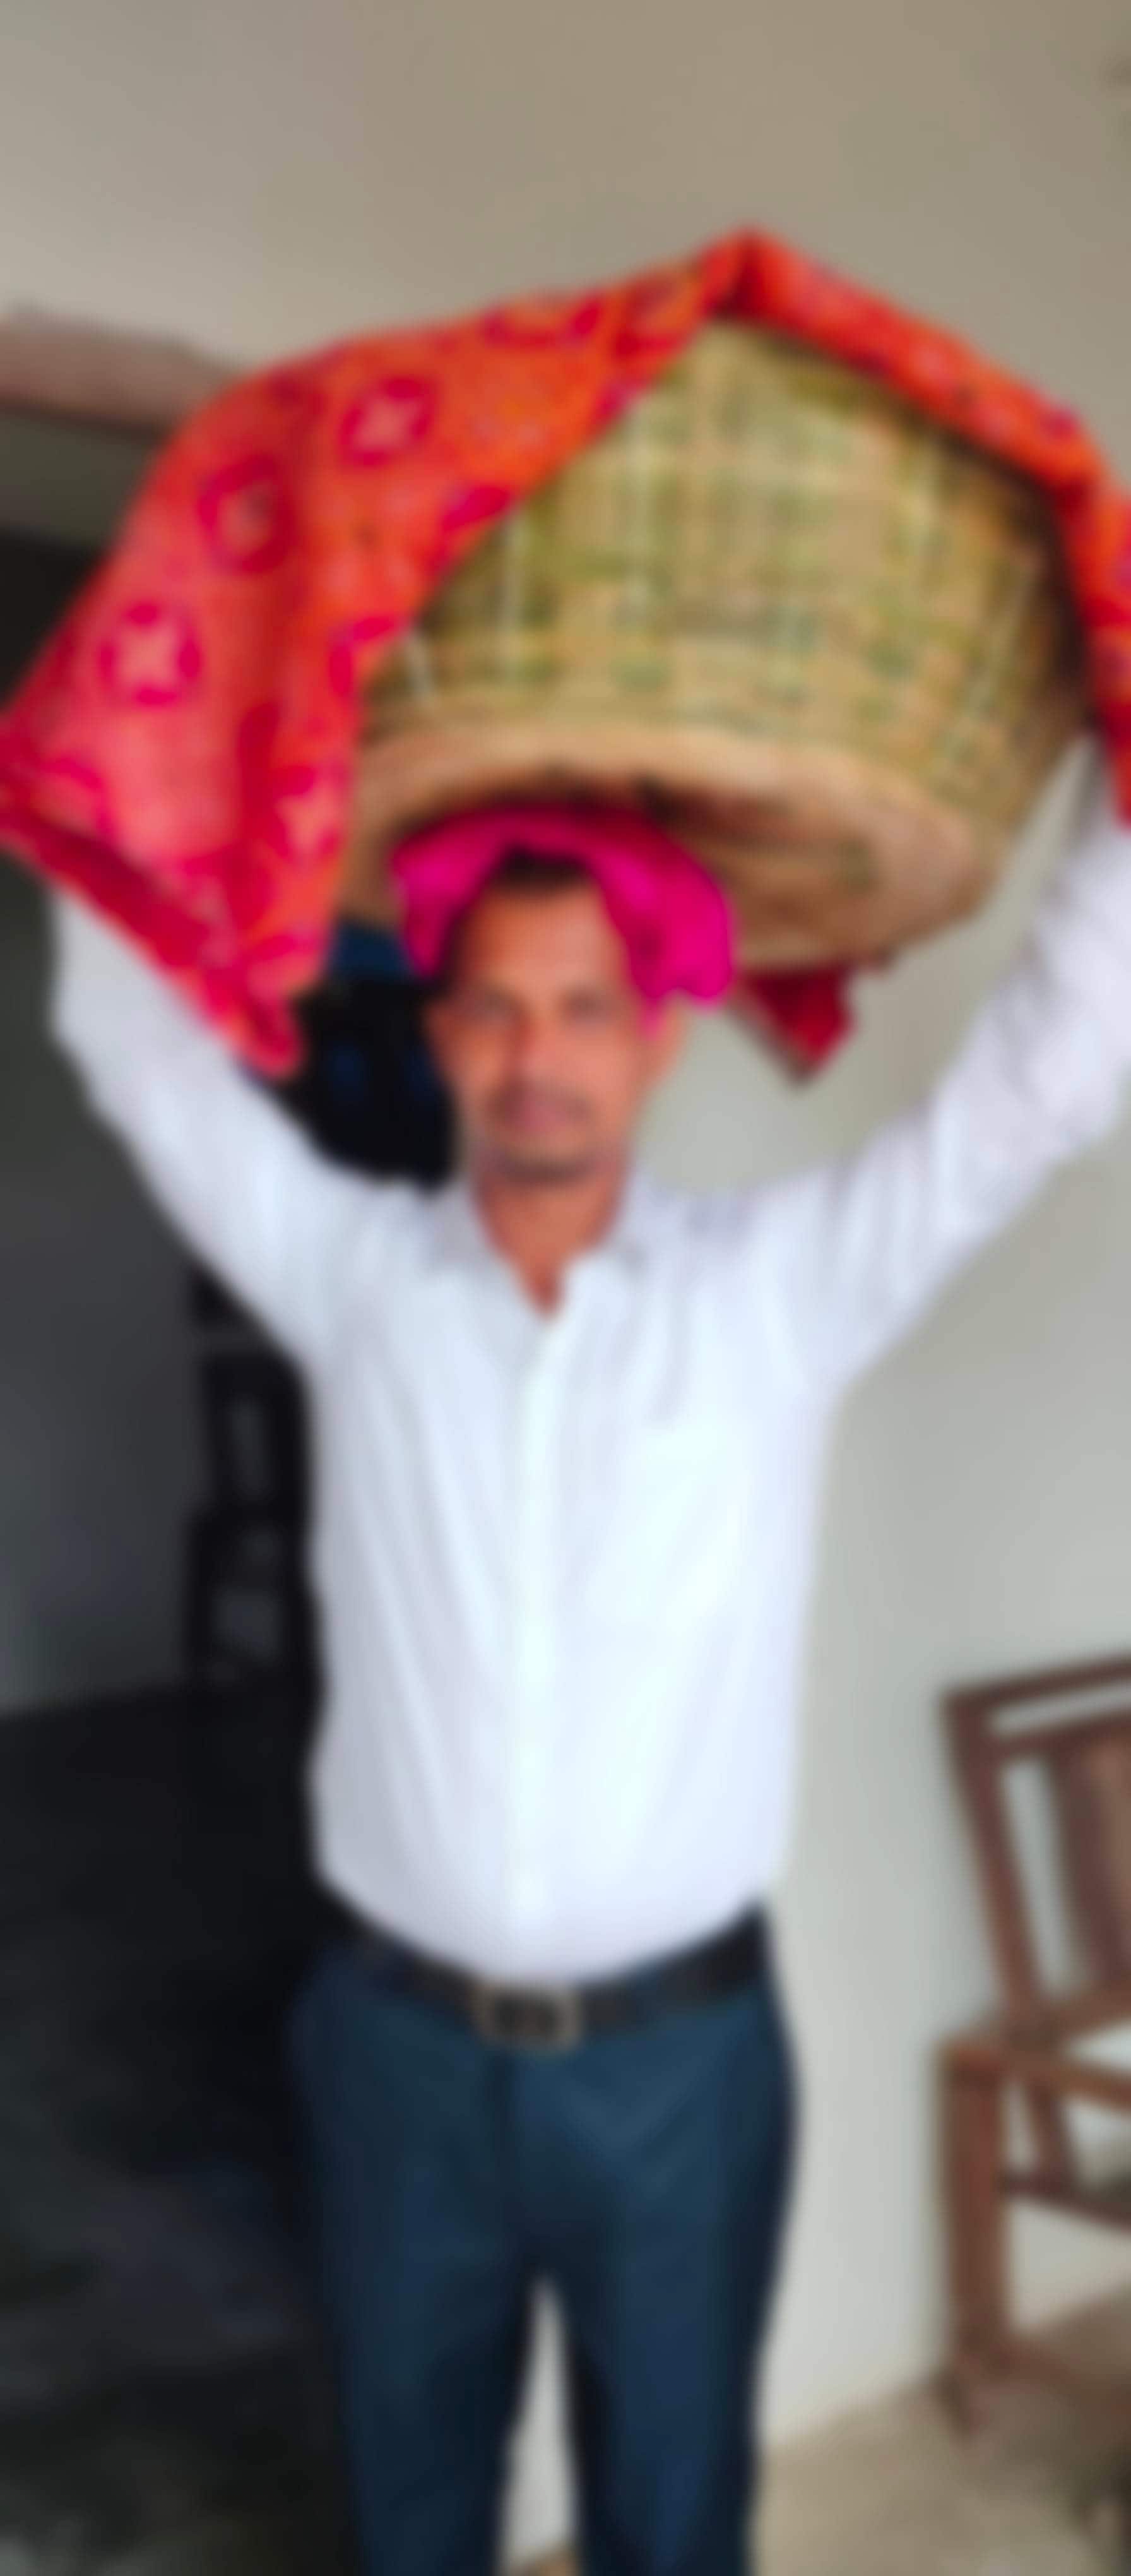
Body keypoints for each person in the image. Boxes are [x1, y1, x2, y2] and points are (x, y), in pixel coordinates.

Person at [50, 753, 1131, 2576]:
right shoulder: (351, 1279)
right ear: (439, 1033)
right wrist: (104, 754)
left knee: (672, 2525)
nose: (534, 1055)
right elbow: (137, 1054)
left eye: (584, 1009)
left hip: (678, 2072)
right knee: (411, 2523)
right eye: (492, 1006)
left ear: (659, 1039)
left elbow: (1033, 1088)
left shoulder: (773, 1294)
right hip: (394, 2058)